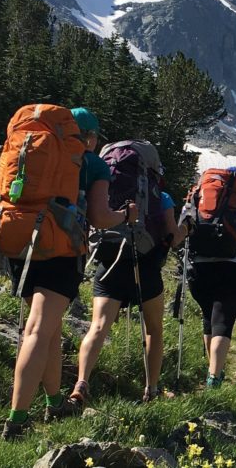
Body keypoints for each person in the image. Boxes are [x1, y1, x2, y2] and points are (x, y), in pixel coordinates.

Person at [2, 107, 136, 438]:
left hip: (21, 240)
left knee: (49, 327)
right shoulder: (92, 163)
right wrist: (126, 216)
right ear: (88, 137)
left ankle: (55, 401)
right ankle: (16, 422)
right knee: (37, 329)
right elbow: (101, 217)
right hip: (60, 248)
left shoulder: (33, 146)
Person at [68, 143, 184, 406]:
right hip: (144, 264)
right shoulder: (160, 196)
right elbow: (172, 237)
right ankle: (151, 389)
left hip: (110, 258)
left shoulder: (106, 181)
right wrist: (187, 227)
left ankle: (81, 383)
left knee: (98, 326)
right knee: (153, 329)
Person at [186, 166, 236, 388]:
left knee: (208, 319)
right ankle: (214, 378)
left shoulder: (197, 201)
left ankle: (212, 367)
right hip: (233, 267)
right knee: (223, 322)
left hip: (199, 267)